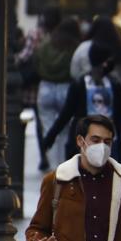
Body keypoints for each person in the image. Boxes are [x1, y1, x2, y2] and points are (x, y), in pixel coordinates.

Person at [43, 43, 121, 165]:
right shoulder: (80, 85)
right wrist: (50, 137)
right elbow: (67, 113)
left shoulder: (114, 85)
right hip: (86, 142)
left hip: (110, 141)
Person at [34, 16, 82, 171]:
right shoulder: (74, 47)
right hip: (66, 87)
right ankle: (63, 164)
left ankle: (53, 163)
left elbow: (36, 62)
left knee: (49, 128)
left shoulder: (46, 44)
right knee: (65, 128)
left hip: (45, 87)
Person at [71, 15, 121, 86]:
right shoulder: (118, 48)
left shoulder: (84, 47)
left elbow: (74, 72)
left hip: (86, 89)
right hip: (113, 91)